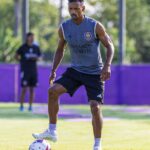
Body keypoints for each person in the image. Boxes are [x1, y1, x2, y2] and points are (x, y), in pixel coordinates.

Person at [32, 0, 114, 150]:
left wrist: (107, 66)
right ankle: (52, 131)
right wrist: (53, 70)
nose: (73, 11)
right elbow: (60, 50)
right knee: (52, 91)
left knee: (95, 107)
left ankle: (97, 145)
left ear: (83, 8)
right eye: (70, 8)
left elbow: (109, 45)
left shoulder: (94, 26)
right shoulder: (64, 28)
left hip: (94, 72)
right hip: (75, 71)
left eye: (76, 8)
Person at [16, 32, 41, 112]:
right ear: (27, 38)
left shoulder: (36, 47)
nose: (32, 38)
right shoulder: (23, 47)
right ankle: (21, 106)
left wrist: (35, 58)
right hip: (25, 71)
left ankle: (30, 106)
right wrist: (21, 61)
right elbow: (16, 55)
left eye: (33, 37)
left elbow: (39, 57)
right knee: (24, 89)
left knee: (32, 89)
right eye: (31, 37)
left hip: (33, 71)